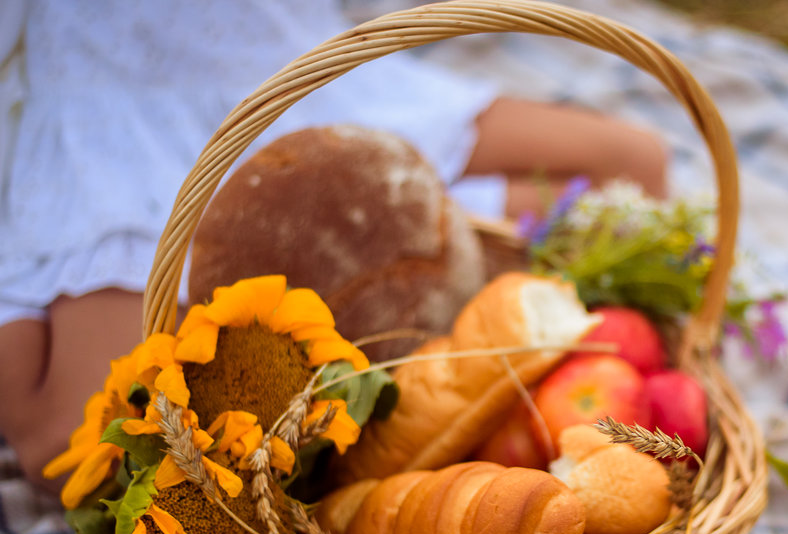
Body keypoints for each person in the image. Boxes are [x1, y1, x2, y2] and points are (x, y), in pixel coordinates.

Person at [0, 0, 667, 491]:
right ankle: (322, 247)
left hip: (296, 62)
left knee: (637, 168)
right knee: (73, 447)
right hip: (122, 101)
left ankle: (381, 227)